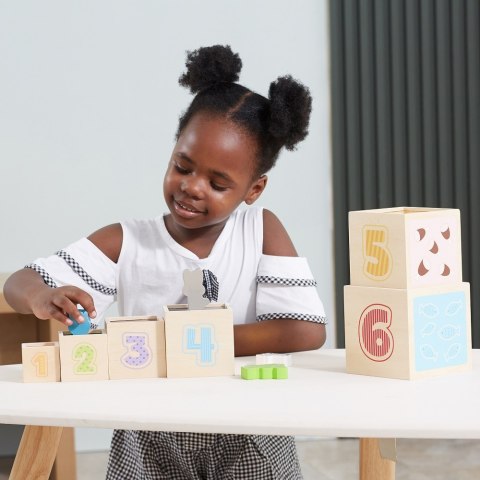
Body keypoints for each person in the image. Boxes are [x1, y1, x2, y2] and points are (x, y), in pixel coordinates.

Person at [5, 45, 327, 479]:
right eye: (183, 166)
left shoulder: (260, 231)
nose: (192, 188)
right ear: (173, 149)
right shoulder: (128, 241)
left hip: (247, 424)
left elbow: (305, 329)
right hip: (148, 428)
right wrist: (44, 295)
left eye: (218, 183)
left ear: (253, 189)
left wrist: (185, 345)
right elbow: (18, 283)